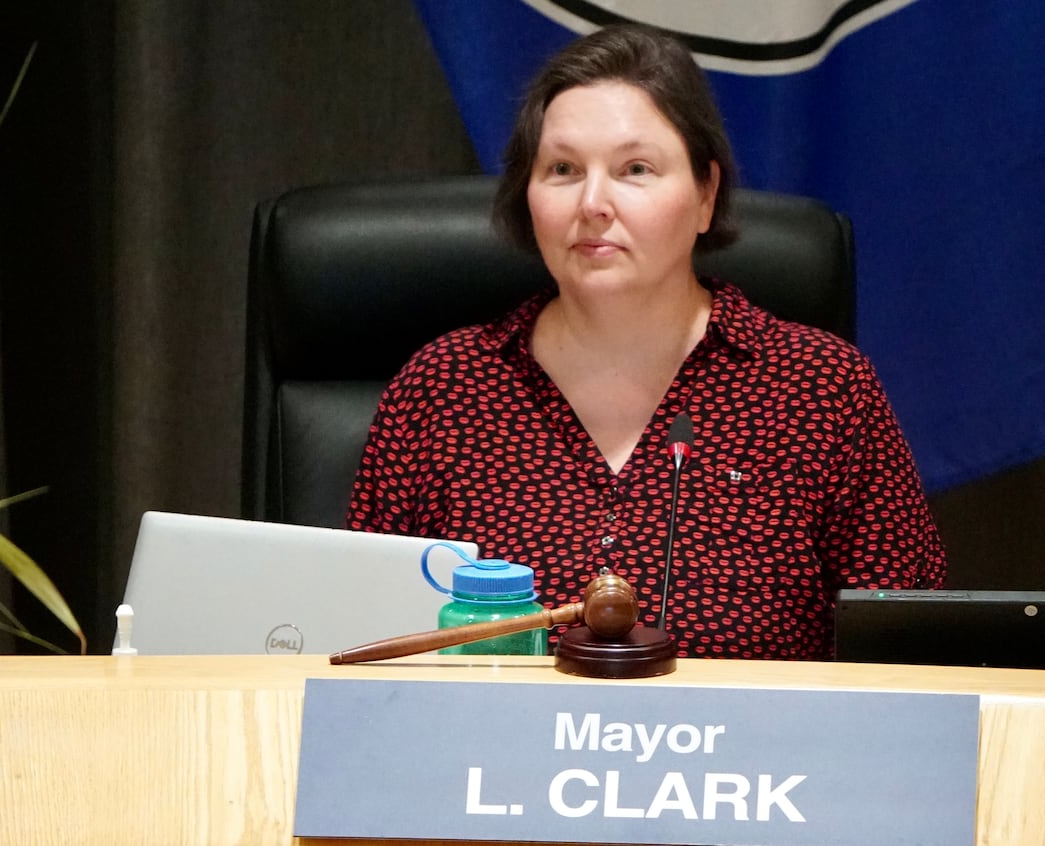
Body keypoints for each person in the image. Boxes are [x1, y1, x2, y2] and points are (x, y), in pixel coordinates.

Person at [346, 23, 946, 660]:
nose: (593, 202)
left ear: (706, 194)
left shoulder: (823, 390)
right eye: (562, 169)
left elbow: (910, 656)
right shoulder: (441, 390)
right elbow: (360, 636)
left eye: (635, 169)